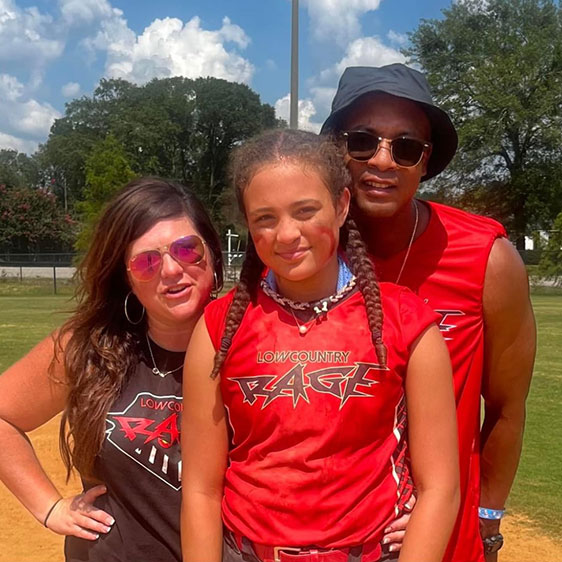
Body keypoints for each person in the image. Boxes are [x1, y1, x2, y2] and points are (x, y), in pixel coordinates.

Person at [181, 129, 460, 562]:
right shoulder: (219, 328)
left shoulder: (405, 320)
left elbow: (440, 488)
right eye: (265, 218)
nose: (287, 234)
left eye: (306, 211)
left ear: (342, 206)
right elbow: (200, 488)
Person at [321, 64, 536, 562]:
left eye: (405, 147)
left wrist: (488, 521)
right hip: (326, 537)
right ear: (336, 150)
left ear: (425, 161)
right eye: (362, 141)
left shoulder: (486, 257)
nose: (382, 160)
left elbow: (506, 409)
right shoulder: (307, 254)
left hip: (445, 542)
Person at [0, 177, 223, 562]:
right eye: (146, 260)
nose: (170, 270)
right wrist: (49, 508)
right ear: (127, 276)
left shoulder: (255, 341)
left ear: (213, 255)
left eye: (187, 249)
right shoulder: (90, 347)